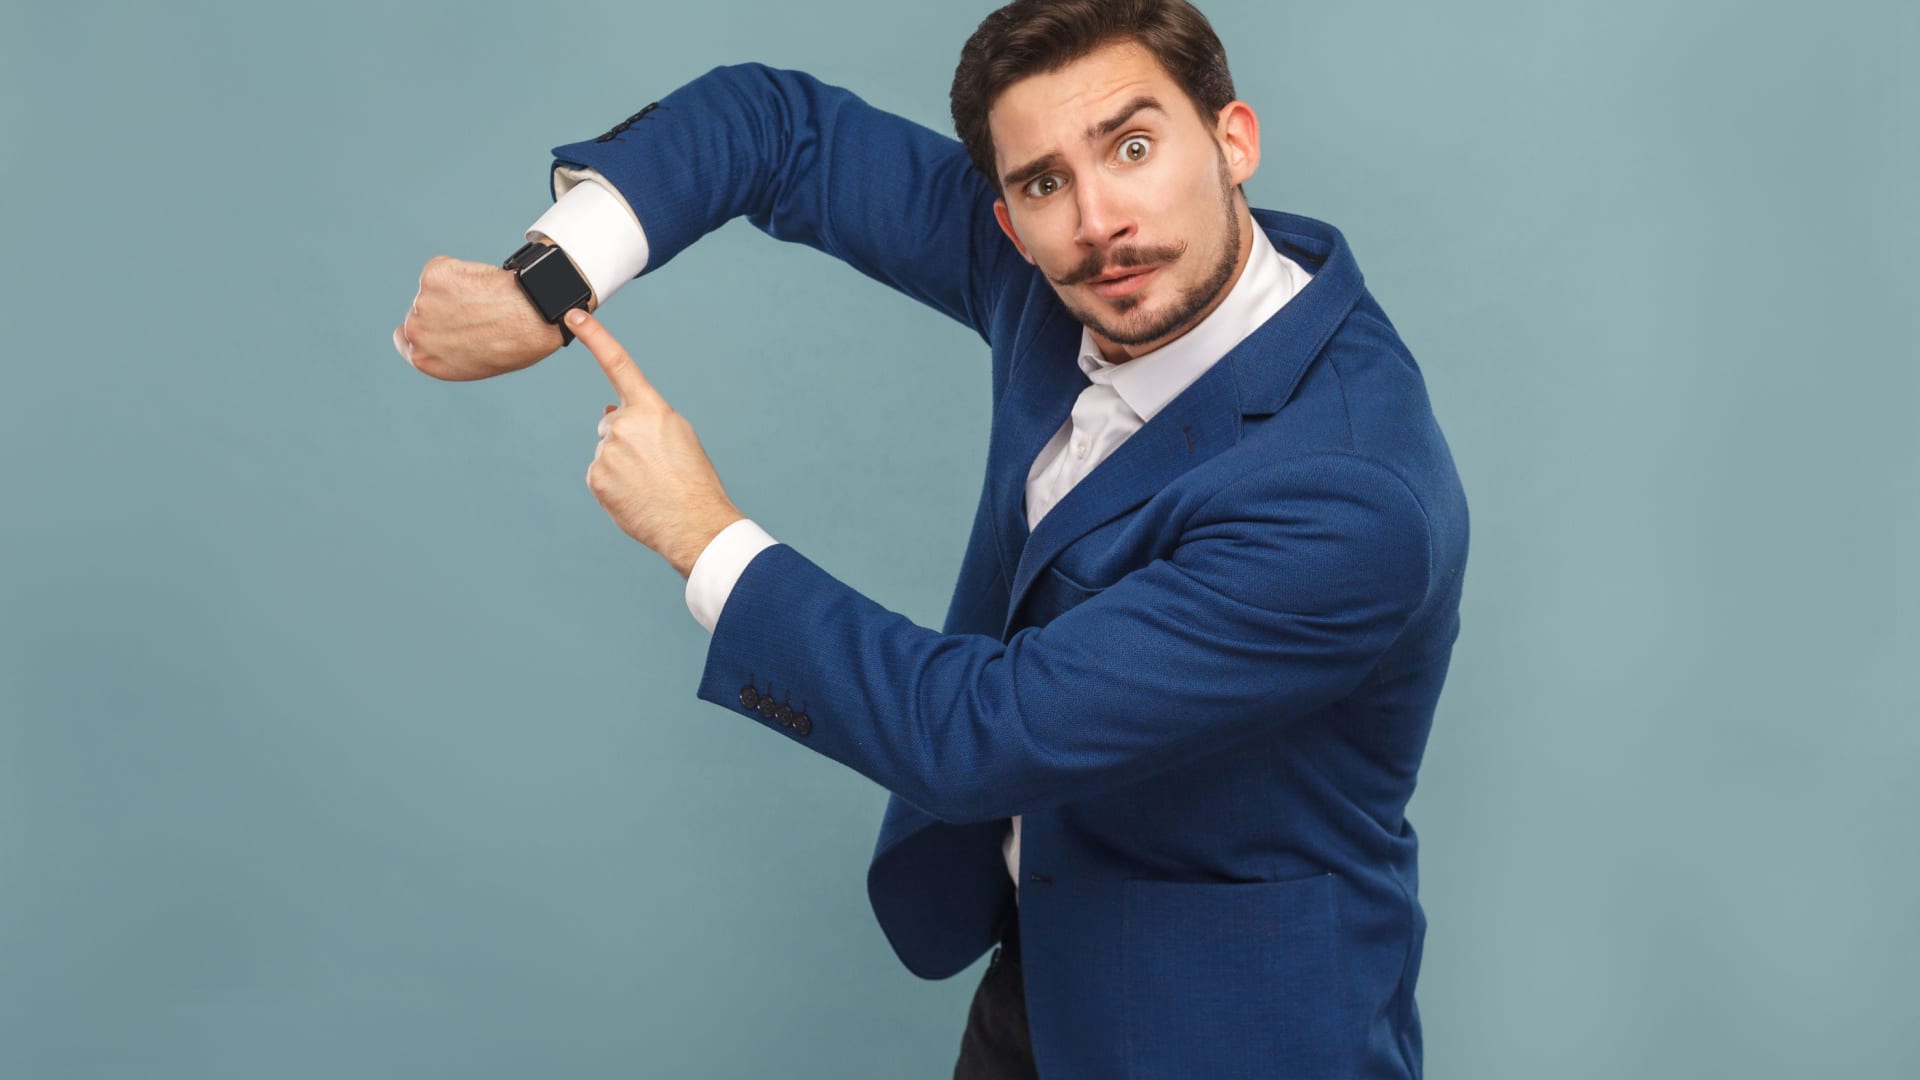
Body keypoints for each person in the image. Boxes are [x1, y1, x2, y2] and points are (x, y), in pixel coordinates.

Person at [393, 1, 1468, 1076]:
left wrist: (702, 533)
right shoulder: (1064, 279)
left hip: (1234, 1028)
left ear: (1233, 140)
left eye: (1133, 147)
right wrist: (548, 281)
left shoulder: (1347, 496)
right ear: (1005, 215)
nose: (1098, 219)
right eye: (1043, 182)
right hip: (1043, 964)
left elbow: (983, 734)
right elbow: (779, 129)